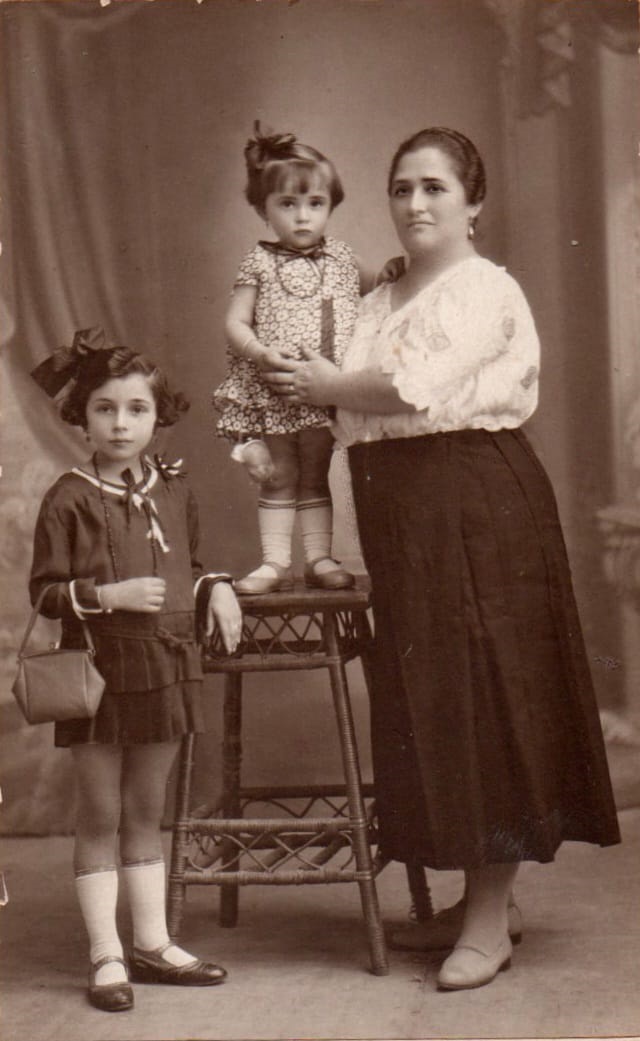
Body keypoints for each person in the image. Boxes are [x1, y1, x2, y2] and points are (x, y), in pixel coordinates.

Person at [264, 127, 621, 991]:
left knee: (484, 692)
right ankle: (483, 901)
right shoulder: (381, 298)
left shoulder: (484, 288)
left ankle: (489, 919)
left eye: (434, 187)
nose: (415, 203)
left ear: (474, 202)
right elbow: (357, 410)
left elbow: (406, 387)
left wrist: (325, 385)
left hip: (474, 500)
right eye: (401, 188)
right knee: (429, 697)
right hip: (402, 510)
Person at [28, 331, 243, 1012]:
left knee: (148, 809)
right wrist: (108, 596)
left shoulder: (174, 489)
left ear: (158, 414)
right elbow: (44, 594)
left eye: (136, 409)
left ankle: (151, 942)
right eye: (105, 409)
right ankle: (106, 954)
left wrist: (217, 586)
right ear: (82, 415)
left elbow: (189, 565)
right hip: (98, 671)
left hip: (167, 663)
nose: (121, 424)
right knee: (101, 811)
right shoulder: (67, 496)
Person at [213, 122, 371, 594]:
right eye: (287, 204)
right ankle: (275, 562)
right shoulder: (259, 261)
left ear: (330, 206)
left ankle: (318, 558)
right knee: (279, 474)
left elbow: (384, 288)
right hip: (276, 388)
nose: (303, 217)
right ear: (263, 208)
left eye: (315, 203)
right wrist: (260, 352)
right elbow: (235, 322)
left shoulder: (343, 258)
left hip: (323, 390)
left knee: (316, 475)